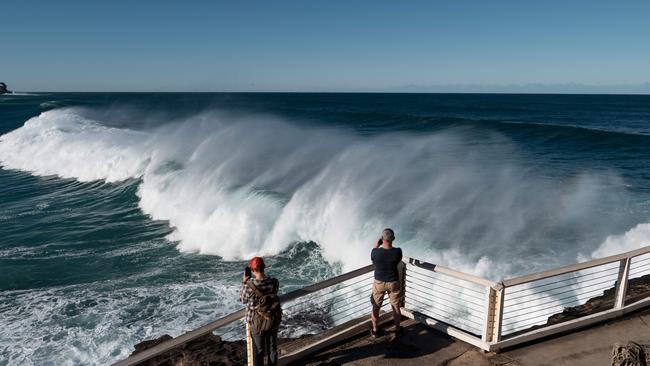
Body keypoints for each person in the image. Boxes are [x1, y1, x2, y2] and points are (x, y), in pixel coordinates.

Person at [240, 256, 280, 366]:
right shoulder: (274, 282)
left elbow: (243, 300)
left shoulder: (249, 286)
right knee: (272, 348)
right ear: (264, 267)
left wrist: (244, 282)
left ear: (252, 270)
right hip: (272, 318)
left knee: (259, 350)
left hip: (256, 322)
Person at [370, 228, 403, 337]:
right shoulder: (398, 251)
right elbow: (398, 261)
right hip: (393, 282)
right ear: (393, 238)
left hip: (379, 283)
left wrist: (377, 244)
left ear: (382, 238)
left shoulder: (375, 252)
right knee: (395, 306)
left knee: (376, 307)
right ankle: (398, 329)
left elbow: (373, 258)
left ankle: (375, 330)